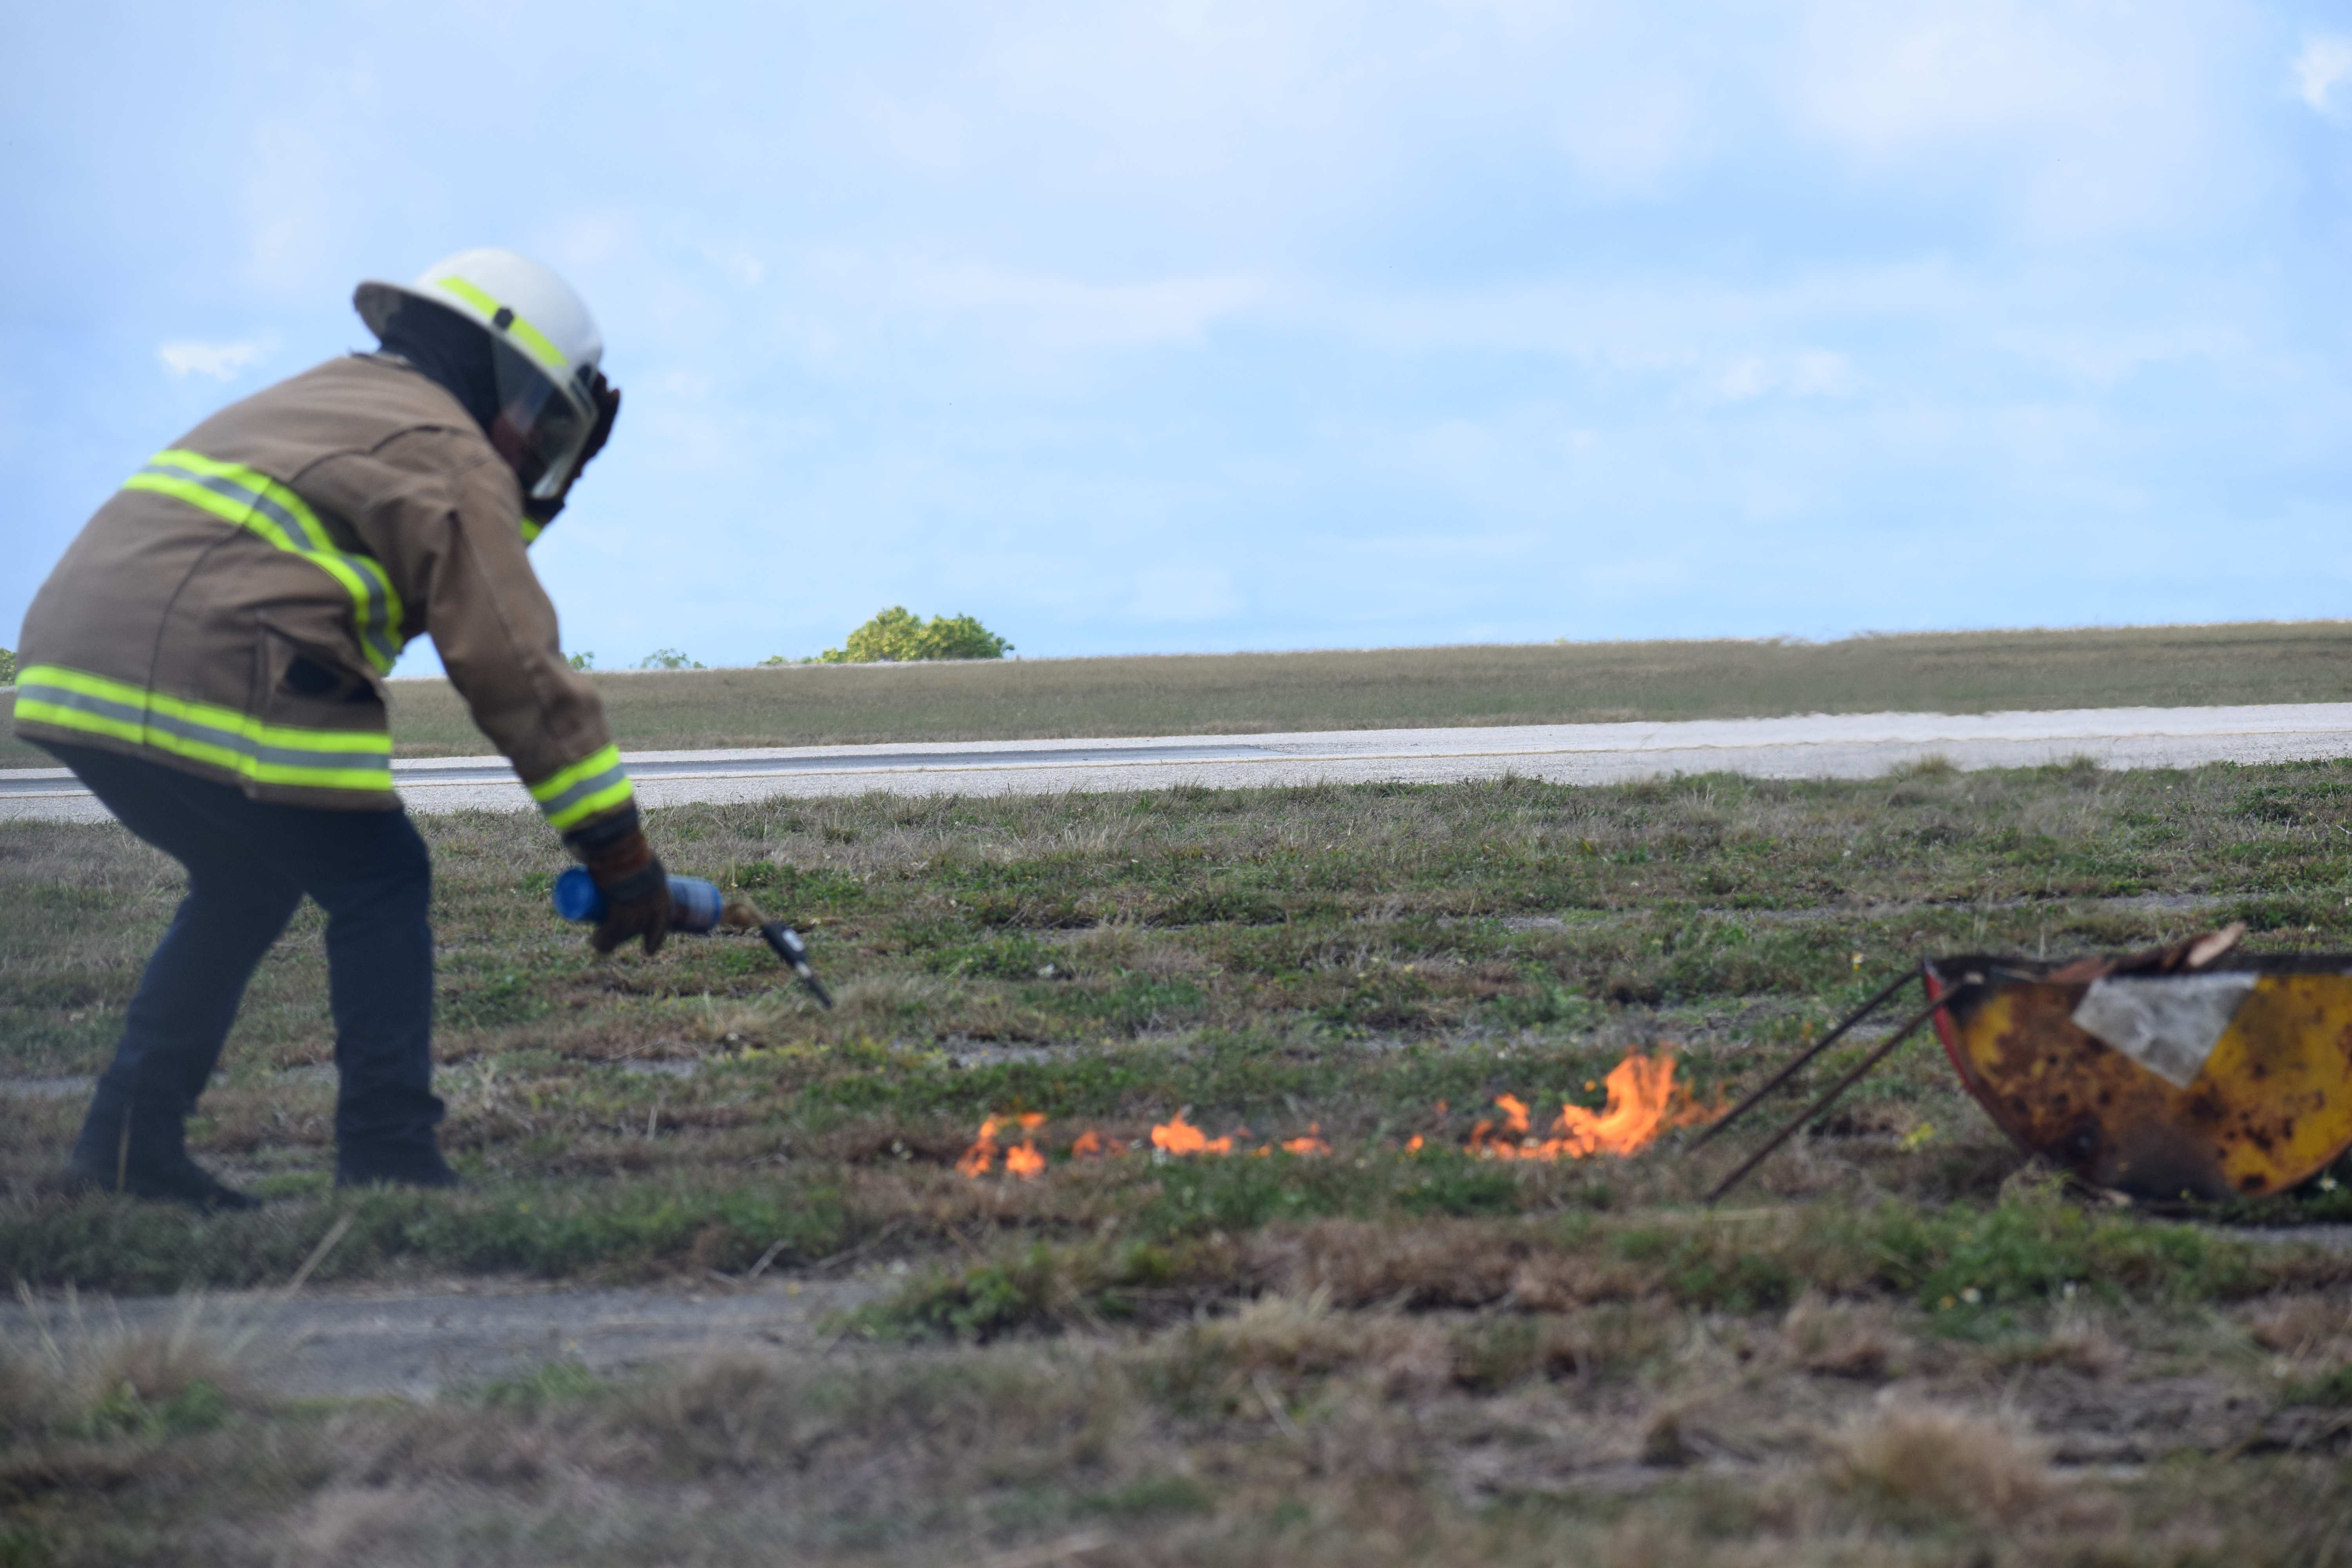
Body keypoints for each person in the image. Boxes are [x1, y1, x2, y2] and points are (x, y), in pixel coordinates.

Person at [13, 249, 673, 1208]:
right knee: (380, 876)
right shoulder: (448, 450)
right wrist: (618, 850)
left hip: (72, 663)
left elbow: (454, 549)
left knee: (250, 879)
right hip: (208, 659)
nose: (535, 449)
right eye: (544, 424)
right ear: (509, 379)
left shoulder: (337, 397)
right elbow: (512, 664)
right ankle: (390, 1158)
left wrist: (538, 495)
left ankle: (124, 1149)